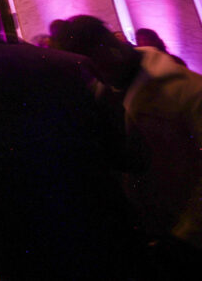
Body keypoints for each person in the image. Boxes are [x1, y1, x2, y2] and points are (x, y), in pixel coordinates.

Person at [0, 0, 133, 279]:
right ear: (12, 19)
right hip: (80, 212)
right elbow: (113, 141)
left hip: (5, 225)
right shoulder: (72, 64)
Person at [61, 15, 202, 275]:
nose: (95, 76)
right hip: (151, 239)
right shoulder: (103, 95)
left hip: (188, 242)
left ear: (109, 49)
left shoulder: (185, 89)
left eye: (95, 66)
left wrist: (187, 234)